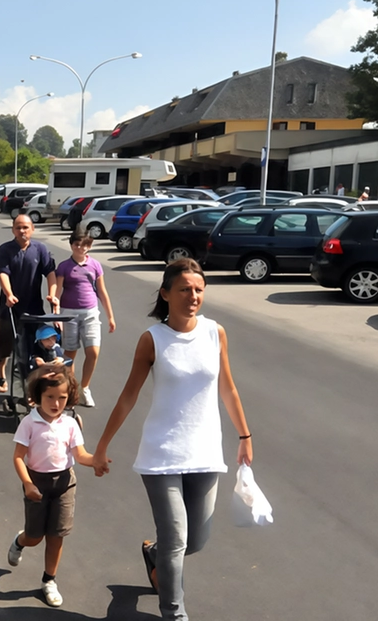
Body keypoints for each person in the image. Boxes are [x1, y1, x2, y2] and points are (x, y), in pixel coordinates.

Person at [92, 258, 251, 621]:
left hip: (205, 452)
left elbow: (227, 387)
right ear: (165, 294)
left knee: (194, 542)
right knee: (178, 539)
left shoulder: (215, 332)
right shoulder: (153, 339)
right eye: (184, 289)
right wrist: (102, 447)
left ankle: (154, 554)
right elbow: (128, 395)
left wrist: (245, 435)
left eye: (198, 289)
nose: (192, 296)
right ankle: (174, 613)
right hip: (162, 454)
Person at [7, 365, 96, 608]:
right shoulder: (29, 423)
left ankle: (49, 580)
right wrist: (27, 483)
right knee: (35, 536)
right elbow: (18, 456)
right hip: (36, 482)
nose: (56, 403)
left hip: (65, 483)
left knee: (56, 535)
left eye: (62, 398)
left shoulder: (70, 423)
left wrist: (95, 461)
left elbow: (80, 454)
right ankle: (20, 541)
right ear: (38, 396)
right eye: (50, 397)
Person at [0, 214, 58, 392]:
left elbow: (50, 272)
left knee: (34, 346)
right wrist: (9, 294)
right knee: (4, 345)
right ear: (13, 229)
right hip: (10, 307)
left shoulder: (40, 249)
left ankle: (31, 383)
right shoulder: (5, 250)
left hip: (33, 309)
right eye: (18, 227)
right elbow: (3, 274)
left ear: (32, 229)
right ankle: (0, 376)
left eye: (25, 227)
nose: (22, 231)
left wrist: (52, 295)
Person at [55, 228, 116, 407]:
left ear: (90, 246)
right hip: (69, 313)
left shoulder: (95, 265)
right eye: (77, 244)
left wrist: (110, 317)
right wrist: (56, 315)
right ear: (71, 245)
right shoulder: (64, 266)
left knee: (93, 352)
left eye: (84, 245)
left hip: (90, 312)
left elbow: (102, 292)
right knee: (70, 354)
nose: (80, 248)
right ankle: (72, 390)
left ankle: (85, 387)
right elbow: (57, 292)